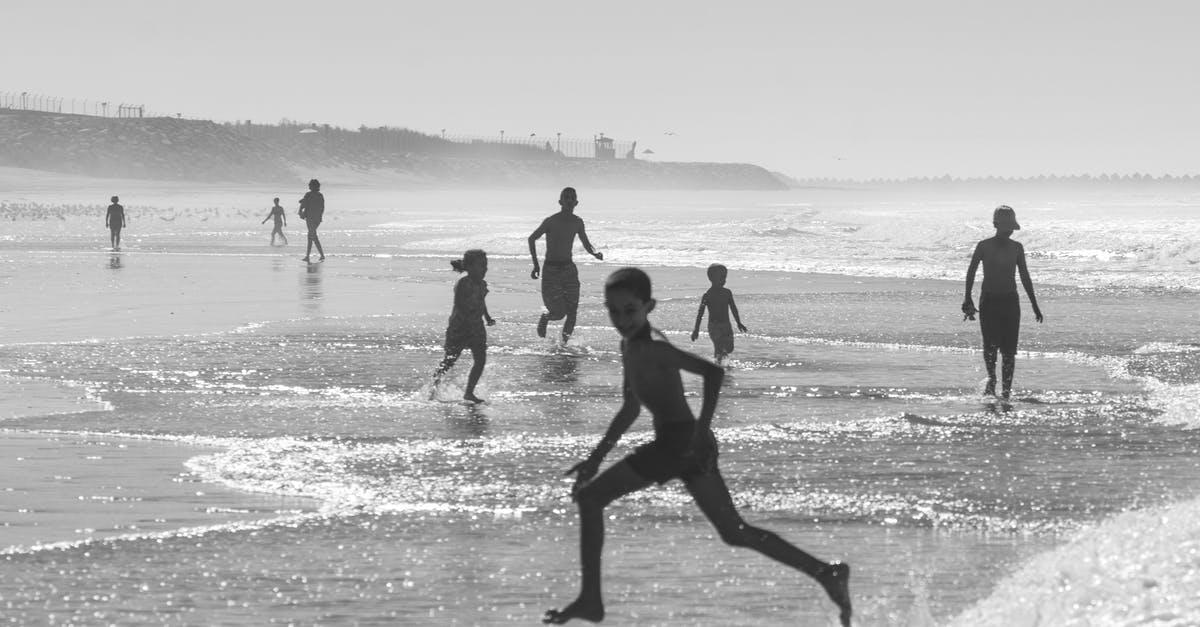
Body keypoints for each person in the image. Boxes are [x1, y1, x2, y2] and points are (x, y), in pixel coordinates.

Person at [543, 267, 852, 626]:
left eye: (630, 310)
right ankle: (824, 573)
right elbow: (630, 408)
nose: (621, 319)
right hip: (682, 444)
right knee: (734, 532)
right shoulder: (629, 346)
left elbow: (713, 373)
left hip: (679, 442)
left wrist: (699, 432)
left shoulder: (655, 348)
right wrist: (594, 459)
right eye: (614, 311)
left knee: (591, 499)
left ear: (649, 306)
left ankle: (590, 601)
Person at [962, 205, 1044, 398]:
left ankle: (1006, 391)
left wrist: (1034, 304)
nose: (1009, 230)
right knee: (989, 346)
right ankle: (992, 379)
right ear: (996, 225)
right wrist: (967, 298)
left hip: (1010, 302)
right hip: (988, 301)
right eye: (1006, 226)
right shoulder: (984, 246)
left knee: (1009, 350)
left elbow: (1025, 277)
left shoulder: (1017, 248)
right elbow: (971, 272)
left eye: (1011, 227)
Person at [528, 187, 604, 343]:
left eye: (572, 198)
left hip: (569, 269)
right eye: (566, 197)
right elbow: (532, 238)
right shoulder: (551, 221)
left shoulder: (577, 222)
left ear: (576, 202)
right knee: (558, 313)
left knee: (572, 312)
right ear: (560, 202)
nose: (569, 200)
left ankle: (564, 346)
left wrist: (595, 253)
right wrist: (536, 265)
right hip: (551, 270)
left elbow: (587, 243)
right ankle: (546, 317)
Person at [432, 249, 496, 404]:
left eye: (485, 265)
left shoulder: (482, 284)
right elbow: (459, 305)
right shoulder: (463, 284)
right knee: (449, 360)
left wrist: (487, 317)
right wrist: (469, 316)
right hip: (459, 327)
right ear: (469, 267)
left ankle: (469, 392)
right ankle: (433, 387)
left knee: (480, 360)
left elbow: (481, 302)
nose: (485, 269)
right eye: (481, 266)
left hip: (477, 327)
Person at [690, 263, 748, 364]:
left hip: (726, 325)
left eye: (725, 277)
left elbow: (733, 308)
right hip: (714, 326)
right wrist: (696, 329)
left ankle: (720, 360)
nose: (724, 279)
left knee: (729, 348)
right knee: (719, 346)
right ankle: (718, 366)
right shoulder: (707, 295)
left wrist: (739, 322)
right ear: (711, 278)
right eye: (721, 277)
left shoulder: (727, 293)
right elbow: (700, 313)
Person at [298, 179, 325, 262]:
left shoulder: (308, 195)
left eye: (310, 185)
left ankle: (321, 255)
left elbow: (303, 205)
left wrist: (300, 212)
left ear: (313, 186)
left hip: (310, 218)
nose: (309, 186)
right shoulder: (320, 195)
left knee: (312, 236)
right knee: (311, 236)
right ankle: (308, 256)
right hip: (317, 219)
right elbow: (322, 208)